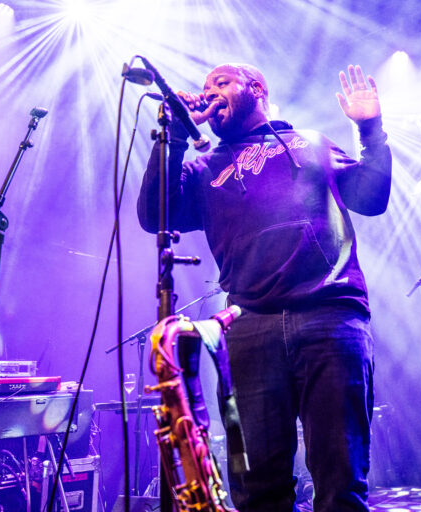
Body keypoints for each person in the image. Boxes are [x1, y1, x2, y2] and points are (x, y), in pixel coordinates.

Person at [137, 63, 391, 512]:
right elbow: (155, 215)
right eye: (204, 87)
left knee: (340, 485)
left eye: (221, 82)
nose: (209, 92)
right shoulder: (204, 169)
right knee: (255, 490)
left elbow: (372, 197)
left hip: (330, 319)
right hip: (247, 330)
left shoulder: (309, 143)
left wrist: (370, 128)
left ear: (256, 88)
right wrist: (173, 135)